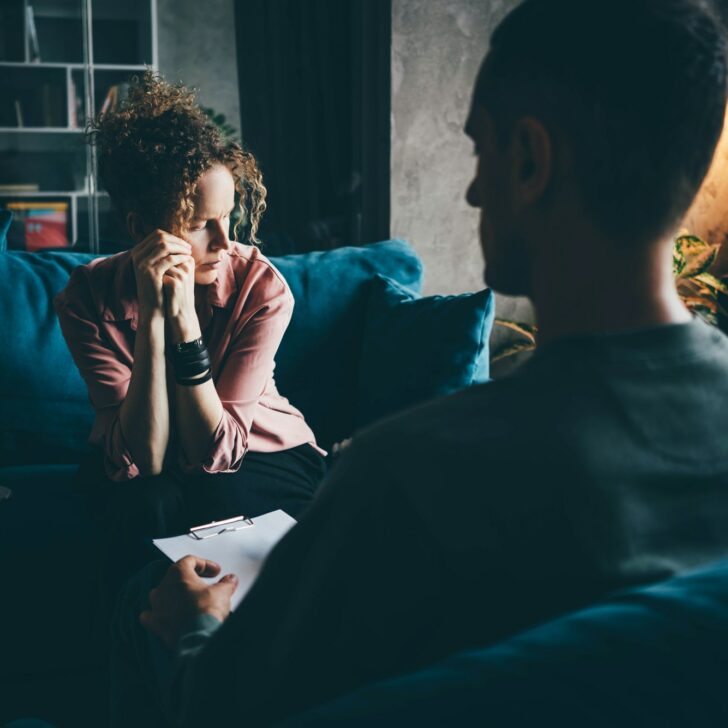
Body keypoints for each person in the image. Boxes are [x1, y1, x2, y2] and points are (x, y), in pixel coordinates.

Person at [112, 1, 728, 726]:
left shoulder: (407, 475)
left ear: (530, 161)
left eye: (480, 152)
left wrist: (194, 628)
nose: (471, 190)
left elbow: (216, 708)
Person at [54, 72, 326, 606]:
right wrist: (158, 314)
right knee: (143, 504)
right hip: (142, 456)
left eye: (229, 219)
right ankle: (149, 650)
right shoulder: (86, 300)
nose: (226, 243)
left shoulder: (262, 287)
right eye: (203, 224)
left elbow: (215, 449)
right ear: (140, 229)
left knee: (224, 496)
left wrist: (185, 322)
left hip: (255, 446)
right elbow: (144, 458)